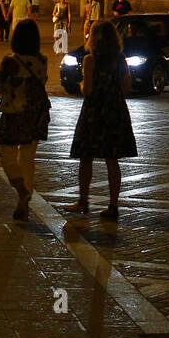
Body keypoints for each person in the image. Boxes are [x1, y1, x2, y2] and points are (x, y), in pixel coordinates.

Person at [68, 19, 137, 218]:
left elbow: (88, 89)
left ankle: (83, 201)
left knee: (86, 157)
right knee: (112, 158)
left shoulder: (91, 60)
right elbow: (126, 87)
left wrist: (81, 84)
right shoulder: (120, 59)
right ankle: (113, 205)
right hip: (115, 109)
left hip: (94, 110)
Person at [0, 18, 50, 221]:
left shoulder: (10, 61)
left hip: (14, 113)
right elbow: (42, 81)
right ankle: (24, 200)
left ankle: (22, 192)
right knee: (27, 158)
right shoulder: (42, 60)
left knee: (7, 154)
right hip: (37, 114)